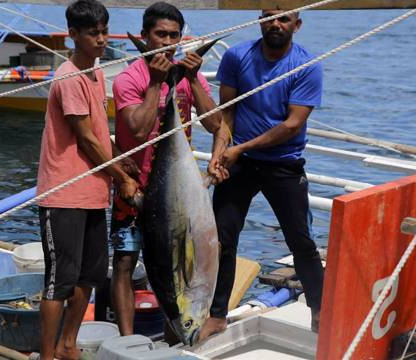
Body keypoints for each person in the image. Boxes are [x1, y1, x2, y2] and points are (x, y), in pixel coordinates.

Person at [200, 9, 325, 339]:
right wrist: (218, 156)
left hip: (283, 162)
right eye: (270, 16)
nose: (276, 24)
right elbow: (228, 112)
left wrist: (238, 149)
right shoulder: (236, 56)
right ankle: (216, 315)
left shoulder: (307, 66)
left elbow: (292, 124)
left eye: (285, 19)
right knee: (222, 239)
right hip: (239, 162)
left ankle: (320, 310)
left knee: (301, 241)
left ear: (297, 25)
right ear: (259, 20)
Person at [109, 1, 224, 337]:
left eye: (174, 35)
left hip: (177, 192)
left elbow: (216, 124)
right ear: (145, 36)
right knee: (125, 264)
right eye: (160, 35)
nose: (167, 41)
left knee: (177, 263)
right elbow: (139, 131)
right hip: (136, 190)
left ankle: (177, 332)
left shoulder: (190, 76)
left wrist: (191, 79)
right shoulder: (129, 79)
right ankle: (128, 340)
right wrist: (157, 83)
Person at [35, 1, 138, 359]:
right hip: (63, 194)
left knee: (90, 275)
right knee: (59, 281)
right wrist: (122, 177)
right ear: (73, 35)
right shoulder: (68, 75)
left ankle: (67, 344)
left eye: (104, 31)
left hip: (93, 193)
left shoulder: (95, 75)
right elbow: (86, 139)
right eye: (93, 33)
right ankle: (48, 355)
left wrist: (122, 161)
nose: (101, 39)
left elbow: (100, 133)